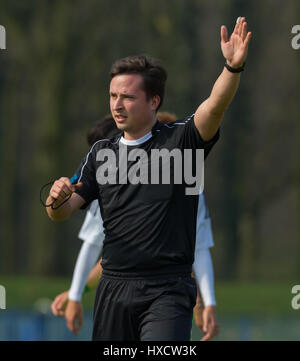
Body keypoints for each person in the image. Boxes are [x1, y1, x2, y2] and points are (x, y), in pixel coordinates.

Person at [46, 17, 251, 341]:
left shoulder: (182, 140)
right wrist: (55, 200)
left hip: (167, 289)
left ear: (154, 101)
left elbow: (214, 106)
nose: (117, 104)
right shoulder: (101, 153)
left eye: (127, 97)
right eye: (113, 95)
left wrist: (232, 68)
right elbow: (64, 210)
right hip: (113, 288)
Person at [51, 113, 219, 341]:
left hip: (168, 291)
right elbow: (108, 253)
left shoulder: (186, 180)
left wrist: (206, 301)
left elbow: (197, 246)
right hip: (122, 296)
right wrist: (76, 293)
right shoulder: (110, 180)